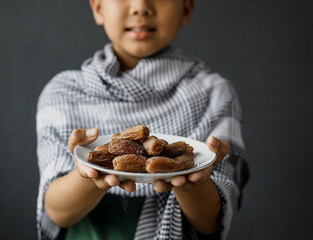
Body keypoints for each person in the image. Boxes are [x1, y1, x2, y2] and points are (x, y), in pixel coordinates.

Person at [36, 0, 249, 239]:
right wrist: (89, 173)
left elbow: (211, 223)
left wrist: (192, 183)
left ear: (187, 9)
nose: (140, 6)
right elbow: (56, 212)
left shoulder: (215, 94)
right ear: (97, 8)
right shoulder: (64, 93)